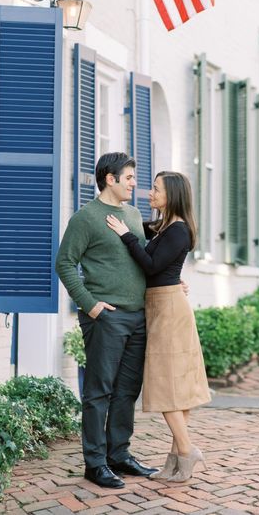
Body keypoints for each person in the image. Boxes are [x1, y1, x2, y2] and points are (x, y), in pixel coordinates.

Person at [55, 152, 158, 489]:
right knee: (99, 391)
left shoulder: (132, 213)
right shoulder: (86, 218)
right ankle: (95, 463)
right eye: (128, 177)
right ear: (110, 179)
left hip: (137, 315)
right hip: (106, 317)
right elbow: (65, 263)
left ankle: (119, 455)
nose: (134, 184)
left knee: (127, 390)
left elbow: (142, 258)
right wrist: (90, 305)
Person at [106, 171, 211, 482]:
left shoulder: (178, 230)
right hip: (161, 303)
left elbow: (150, 265)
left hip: (168, 309)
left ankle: (188, 451)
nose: (149, 192)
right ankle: (176, 458)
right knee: (174, 387)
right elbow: (155, 254)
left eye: (156, 189)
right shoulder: (164, 226)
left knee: (168, 385)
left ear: (173, 195)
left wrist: (125, 235)